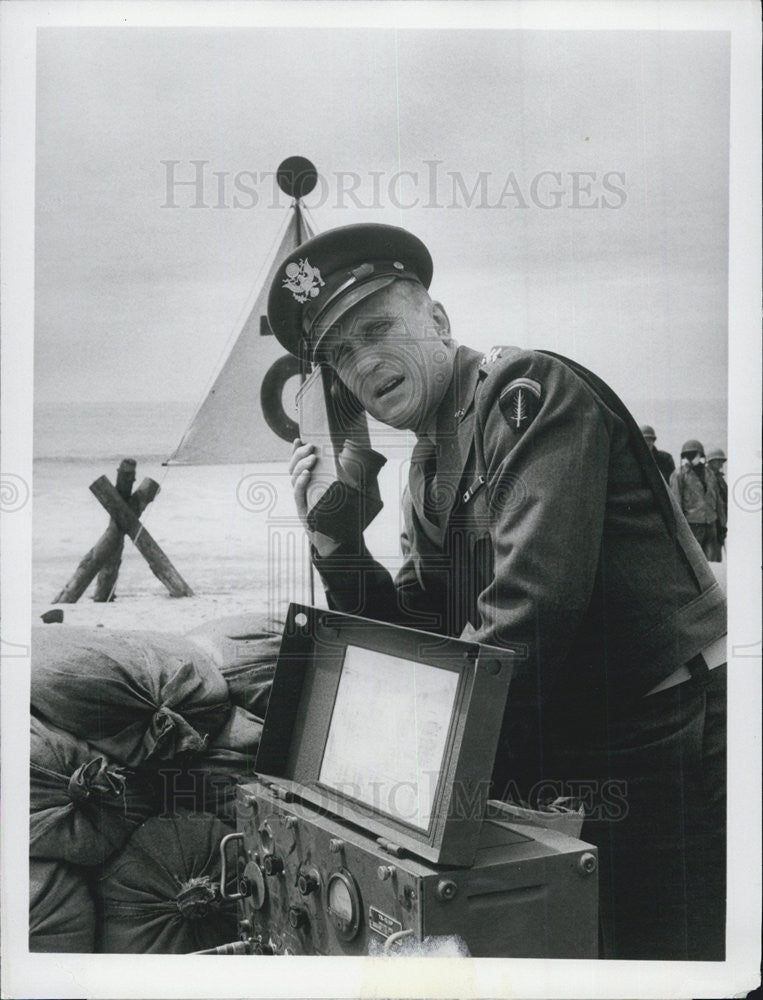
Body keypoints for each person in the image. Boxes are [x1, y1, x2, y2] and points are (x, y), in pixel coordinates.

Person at [267, 223, 727, 961]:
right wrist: (338, 540)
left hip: (666, 734)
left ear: (438, 322)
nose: (363, 362)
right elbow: (423, 628)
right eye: (341, 356)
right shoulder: (426, 464)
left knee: (663, 955)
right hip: (573, 744)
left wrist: (412, 765)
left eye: (379, 328)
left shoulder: (527, 394)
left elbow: (530, 611)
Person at [670, 440, 725, 562]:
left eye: (693, 453)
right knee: (694, 562)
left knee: (713, 562)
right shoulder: (679, 475)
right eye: (687, 454)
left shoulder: (710, 474)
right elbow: (676, 503)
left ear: (701, 455)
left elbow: (718, 502)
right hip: (692, 526)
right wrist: (679, 528)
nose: (690, 457)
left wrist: (722, 525)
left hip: (711, 524)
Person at [707, 447, 729, 548]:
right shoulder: (706, 477)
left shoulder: (720, 479)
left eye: (722, 461)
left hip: (721, 520)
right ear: (711, 462)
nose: (721, 464)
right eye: (718, 461)